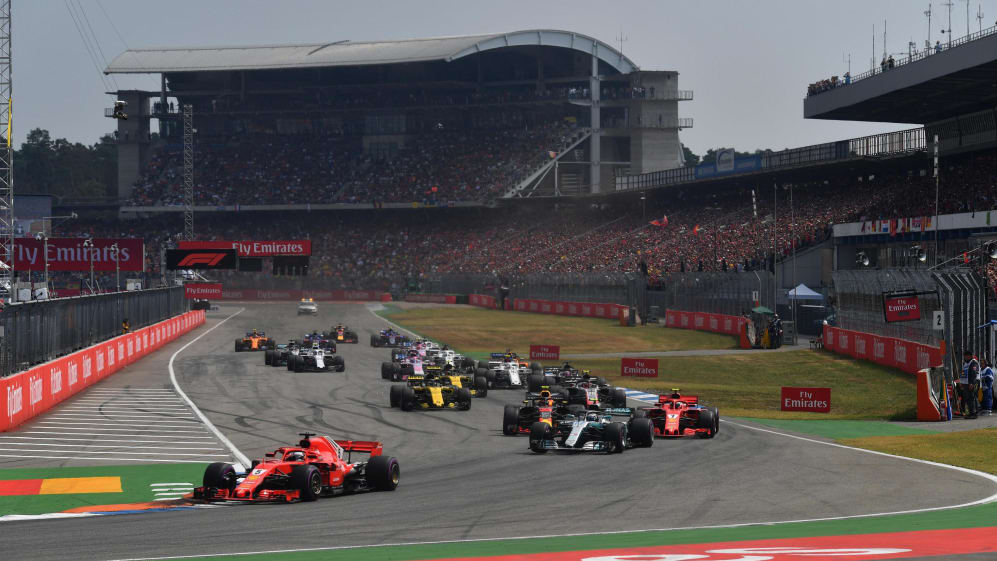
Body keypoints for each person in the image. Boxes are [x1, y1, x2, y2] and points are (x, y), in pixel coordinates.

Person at [960, 350, 980, 419]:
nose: (965, 357)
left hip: (972, 383)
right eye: (964, 356)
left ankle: (974, 413)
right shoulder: (966, 363)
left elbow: (974, 374)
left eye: (966, 356)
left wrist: (972, 383)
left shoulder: (974, 363)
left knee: (972, 398)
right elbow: (963, 373)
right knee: (968, 398)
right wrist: (961, 382)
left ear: (969, 356)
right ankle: (971, 413)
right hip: (966, 383)